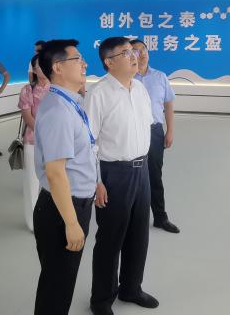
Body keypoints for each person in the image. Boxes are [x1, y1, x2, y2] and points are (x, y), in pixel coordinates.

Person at [86, 37, 159, 315]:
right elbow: (89, 142)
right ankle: (101, 299)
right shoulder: (99, 94)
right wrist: (96, 181)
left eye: (134, 51)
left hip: (141, 170)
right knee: (110, 238)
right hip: (113, 173)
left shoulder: (139, 88)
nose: (134, 56)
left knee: (139, 234)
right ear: (109, 62)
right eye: (126, 53)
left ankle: (131, 288)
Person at [33, 39, 98, 315]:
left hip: (72, 203)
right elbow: (55, 173)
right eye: (78, 59)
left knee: (61, 281)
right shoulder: (58, 110)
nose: (85, 64)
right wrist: (72, 223)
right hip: (62, 210)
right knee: (57, 287)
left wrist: (95, 183)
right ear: (58, 67)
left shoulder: (71, 102)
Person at [130, 39, 179, 234]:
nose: (141, 54)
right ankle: (134, 217)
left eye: (144, 50)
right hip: (131, 132)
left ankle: (160, 217)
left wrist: (170, 130)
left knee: (154, 175)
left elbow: (168, 105)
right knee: (132, 175)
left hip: (155, 131)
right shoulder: (127, 79)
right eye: (136, 51)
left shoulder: (160, 77)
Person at [18, 54, 50, 231]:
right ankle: (32, 222)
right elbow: (28, 117)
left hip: (57, 143)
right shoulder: (28, 90)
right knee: (32, 181)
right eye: (39, 65)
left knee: (55, 180)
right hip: (33, 141)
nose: (43, 68)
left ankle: (51, 217)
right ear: (34, 70)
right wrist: (45, 135)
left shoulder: (58, 88)